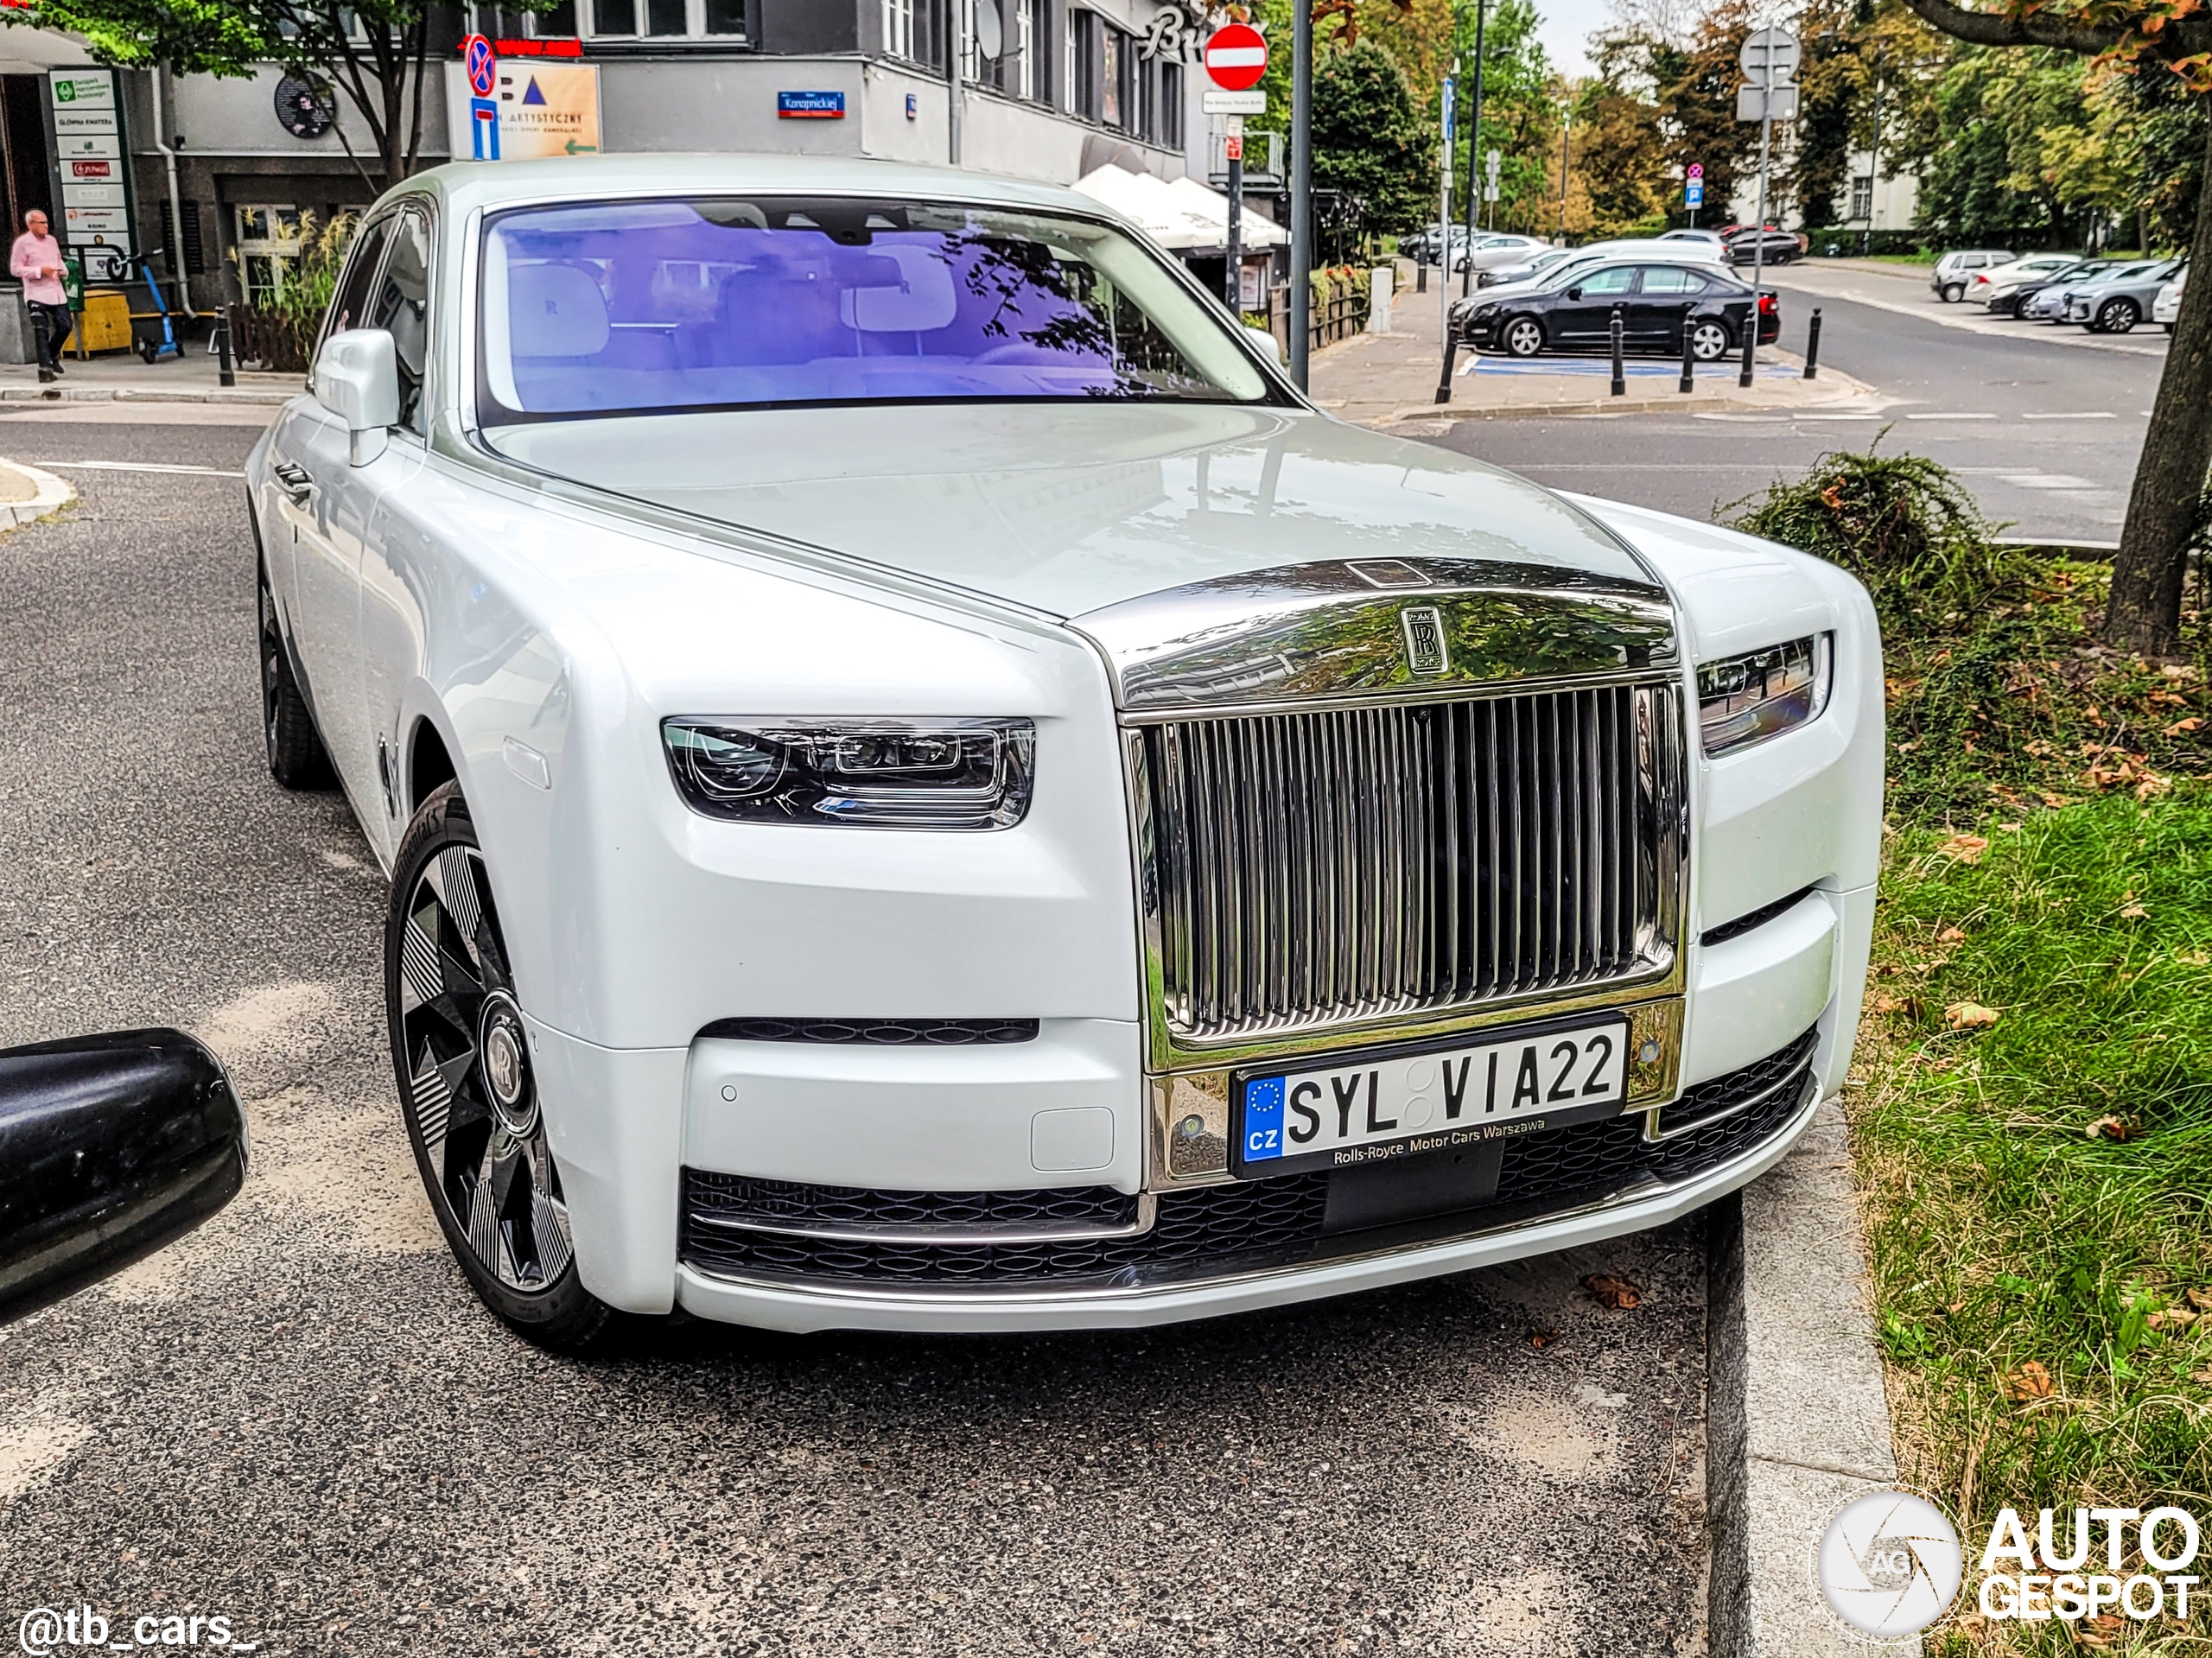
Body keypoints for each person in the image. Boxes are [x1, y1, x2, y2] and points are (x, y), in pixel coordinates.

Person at [11, 209, 71, 374]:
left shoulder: (51, 241)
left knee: (65, 325)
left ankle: (52, 355)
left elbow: (58, 259)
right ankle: (45, 367)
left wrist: (63, 271)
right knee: (41, 328)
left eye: (46, 222)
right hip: (36, 292)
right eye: (42, 223)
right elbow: (15, 269)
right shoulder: (22, 243)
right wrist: (39, 271)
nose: (46, 226)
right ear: (31, 225)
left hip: (56, 291)